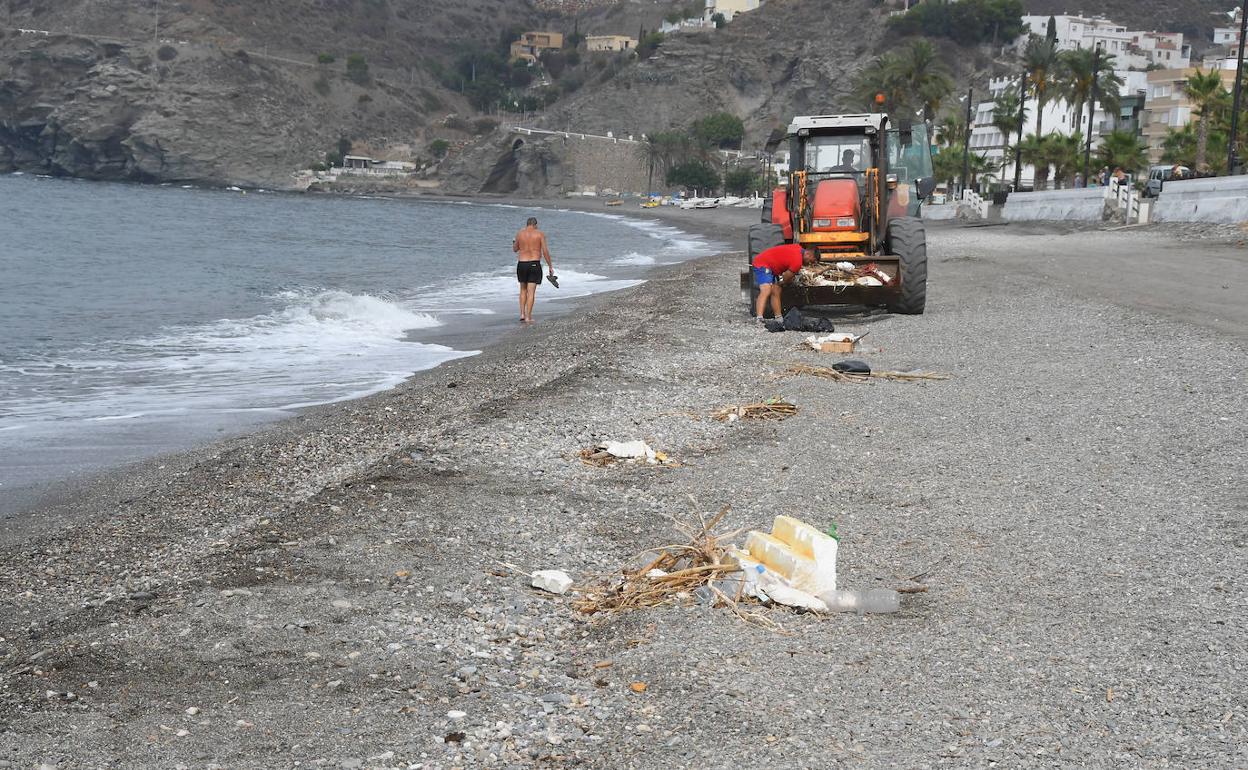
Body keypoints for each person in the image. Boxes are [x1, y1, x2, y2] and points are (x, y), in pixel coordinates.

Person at [752, 242, 818, 320]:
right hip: (762, 263)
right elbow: (786, 277)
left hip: (770, 265)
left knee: (776, 289)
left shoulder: (797, 247)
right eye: (810, 261)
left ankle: (778, 318)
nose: (809, 263)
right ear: (808, 254)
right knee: (766, 289)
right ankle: (759, 318)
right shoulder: (797, 261)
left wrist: (780, 283)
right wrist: (783, 282)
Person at [512, 217, 554, 323]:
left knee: (522, 290)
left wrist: (514, 242)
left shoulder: (519, 234)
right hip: (534, 264)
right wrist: (550, 266)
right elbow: (545, 251)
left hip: (522, 264)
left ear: (527, 224)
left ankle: (522, 314)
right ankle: (528, 317)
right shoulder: (539, 234)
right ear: (535, 224)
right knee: (531, 292)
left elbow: (515, 249)